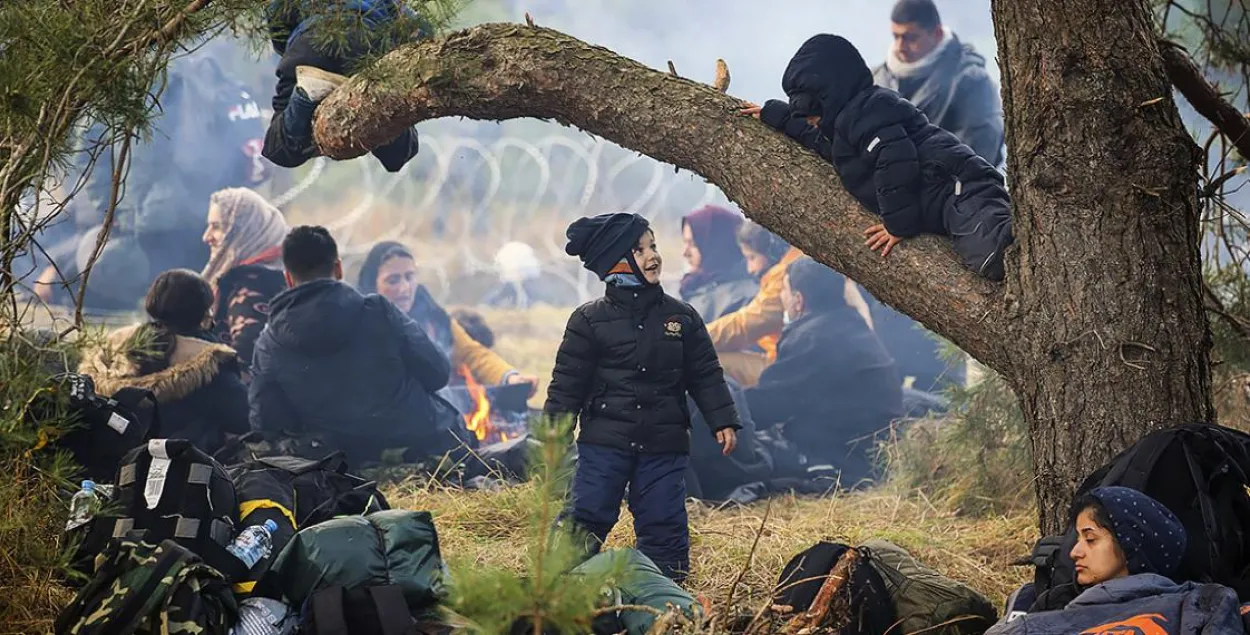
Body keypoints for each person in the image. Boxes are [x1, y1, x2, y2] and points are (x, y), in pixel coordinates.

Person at [545, 212, 741, 582]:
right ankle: (558, 584)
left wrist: (723, 419)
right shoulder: (588, 321)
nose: (653, 256)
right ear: (615, 263)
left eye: (653, 246)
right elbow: (567, 383)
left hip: (663, 442)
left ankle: (665, 593)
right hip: (605, 441)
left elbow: (705, 374)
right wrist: (553, 433)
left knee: (664, 518)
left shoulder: (681, 318)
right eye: (639, 250)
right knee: (588, 511)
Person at [744, 35, 1013, 281]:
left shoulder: (870, 111)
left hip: (959, 189)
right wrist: (773, 114)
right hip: (940, 199)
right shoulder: (841, 129)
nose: (810, 120)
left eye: (811, 111)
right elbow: (817, 141)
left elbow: (895, 160)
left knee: (996, 255)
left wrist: (897, 226)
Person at [248, 226, 468, 465]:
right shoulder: (379, 311)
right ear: (339, 269)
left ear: (288, 278)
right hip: (415, 444)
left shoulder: (269, 341)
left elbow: (266, 421)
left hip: (337, 458)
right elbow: (437, 373)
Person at [987, 487, 1244, 634]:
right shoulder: (1048, 605)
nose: (1075, 552)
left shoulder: (1197, 603)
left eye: (1091, 539)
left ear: (1131, 543)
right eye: (1078, 539)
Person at [746, 257, 903, 486]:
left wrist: (719, 410)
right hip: (874, 451)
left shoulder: (812, 337)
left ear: (798, 300)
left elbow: (768, 405)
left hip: (847, 459)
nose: (782, 298)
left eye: (785, 291)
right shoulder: (848, 323)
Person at [79, 270, 249, 454]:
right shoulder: (210, 359)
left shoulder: (116, 344)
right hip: (182, 464)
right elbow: (242, 418)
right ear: (202, 312)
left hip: (111, 456)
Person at [262, 0, 425, 172]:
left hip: (310, 44)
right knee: (400, 154)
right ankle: (375, 101)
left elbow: (278, 25)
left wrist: (295, 53)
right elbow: (419, 29)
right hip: (370, 48)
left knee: (278, 148)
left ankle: (306, 94)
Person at [356, 241, 538, 391]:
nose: (405, 288)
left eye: (410, 277)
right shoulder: (358, 325)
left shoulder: (433, 318)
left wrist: (511, 378)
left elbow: (472, 354)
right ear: (373, 285)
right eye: (393, 280)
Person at [707, 222, 872, 387]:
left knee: (710, 363)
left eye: (752, 257)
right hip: (815, 362)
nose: (750, 269)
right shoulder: (797, 260)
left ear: (770, 252)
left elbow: (745, 325)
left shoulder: (787, 275)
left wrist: (693, 335)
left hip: (792, 367)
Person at [873, 0, 1005, 167]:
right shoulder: (877, 79)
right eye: (896, 36)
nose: (900, 46)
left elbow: (979, 154)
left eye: (910, 38)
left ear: (936, 34)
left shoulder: (971, 82)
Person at [200, 188, 290, 370]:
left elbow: (247, 355)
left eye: (217, 226)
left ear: (244, 230)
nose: (206, 237)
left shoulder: (249, 284)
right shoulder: (283, 272)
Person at [679, 205, 758, 322]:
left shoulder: (741, 298)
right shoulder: (695, 285)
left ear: (716, 246)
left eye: (694, 244)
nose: (685, 253)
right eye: (685, 242)